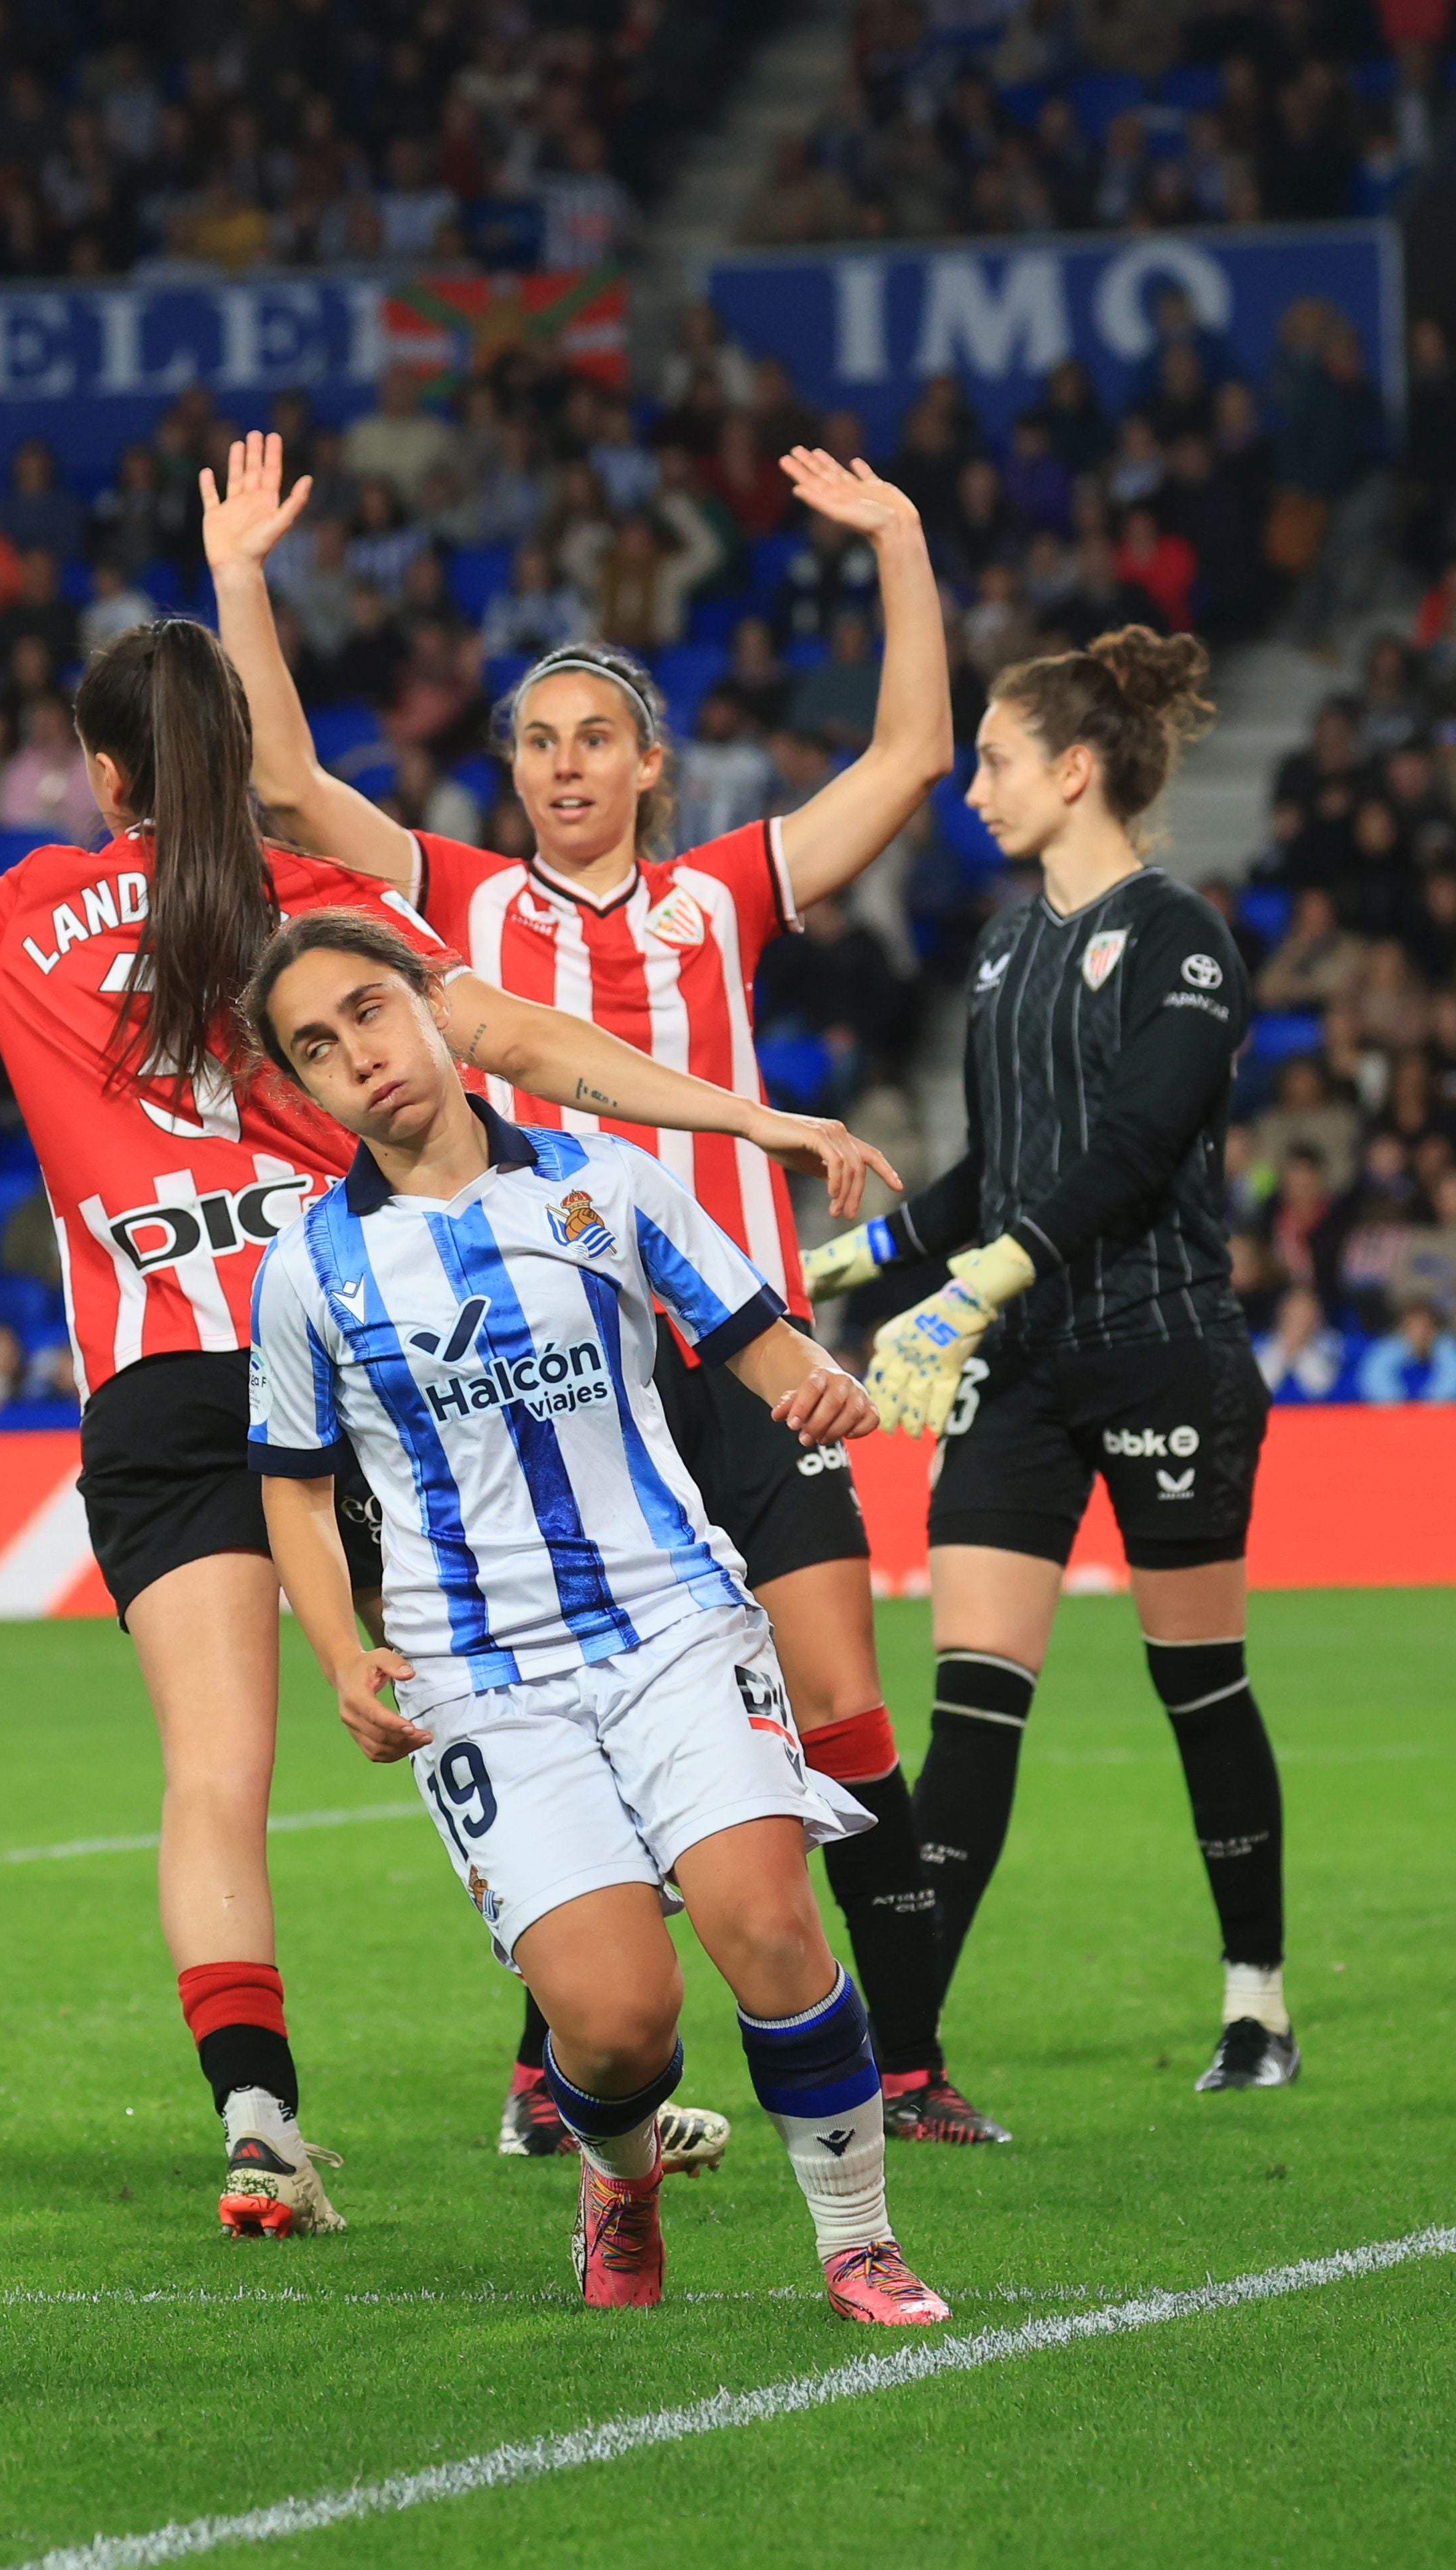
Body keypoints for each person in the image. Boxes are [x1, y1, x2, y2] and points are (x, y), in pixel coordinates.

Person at [0, 621, 897, 2239]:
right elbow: (519, 1043)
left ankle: (263, 2121)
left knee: (214, 1778)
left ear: (104, 770)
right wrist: (750, 1112)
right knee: (532, 1676)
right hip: (351, 1353)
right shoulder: (317, 904)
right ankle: (572, 2065)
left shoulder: (25, 908)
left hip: (159, 1387)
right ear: (235, 757)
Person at [208, 432, 974, 2148]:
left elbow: (914, 752)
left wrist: (900, 542)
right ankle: (561, 2071)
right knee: (558, 1678)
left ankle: (908, 2062)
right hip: (552, 1375)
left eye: (593, 738)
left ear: (647, 762)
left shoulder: (725, 895)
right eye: (537, 741)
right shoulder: (456, 905)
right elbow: (281, 787)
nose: (563, 765)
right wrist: (245, 578)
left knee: (841, 1705)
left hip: (740, 1347)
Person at [242, 909, 947, 2326]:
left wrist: (820, 1383)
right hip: (479, 1676)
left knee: (765, 1923)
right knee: (618, 2022)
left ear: (438, 1010)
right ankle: (618, 2179)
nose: (359, 1057)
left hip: (673, 1617)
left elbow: (755, 1339)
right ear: (302, 1088)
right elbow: (298, 1495)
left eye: (370, 1011)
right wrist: (340, 1652)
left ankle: (857, 2240)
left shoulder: (601, 1181)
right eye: (317, 1047)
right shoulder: (308, 1269)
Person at [805, 629, 1304, 2107]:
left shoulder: (1184, 938)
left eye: (997, 760)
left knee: (1196, 1682)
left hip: (1163, 1352)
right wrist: (839, 1269)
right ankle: (908, 2057)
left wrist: (966, 1291)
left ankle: (1258, 2001)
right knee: (971, 1702)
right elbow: (996, 1172)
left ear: (1075, 770)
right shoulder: (1011, 942)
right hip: (1020, 1367)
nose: (973, 789)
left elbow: (1137, 1149)